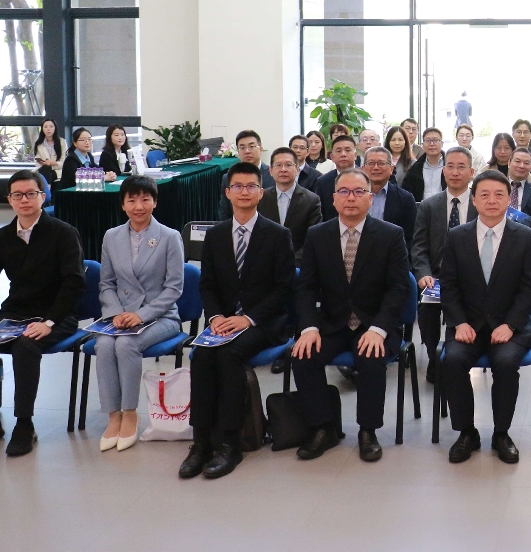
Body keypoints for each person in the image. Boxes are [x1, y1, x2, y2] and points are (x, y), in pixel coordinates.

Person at [179, 163, 295, 480]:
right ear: (228, 193)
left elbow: (284, 288)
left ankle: (230, 443)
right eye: (238, 186)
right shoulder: (216, 235)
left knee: (229, 355)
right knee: (202, 355)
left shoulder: (278, 235)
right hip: (224, 321)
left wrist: (248, 319)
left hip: (264, 323)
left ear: (261, 192)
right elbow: (208, 285)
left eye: (251, 186)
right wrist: (216, 317)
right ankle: (201, 442)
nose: (245, 192)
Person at [290, 168, 411, 462]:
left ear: (370, 199)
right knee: (303, 356)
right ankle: (323, 427)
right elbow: (306, 288)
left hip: (376, 323)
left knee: (370, 356)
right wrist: (309, 328)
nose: (351, 198)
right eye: (344, 192)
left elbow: (398, 289)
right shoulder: (318, 235)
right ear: (334, 199)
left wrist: (379, 329)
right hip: (332, 323)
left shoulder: (390, 235)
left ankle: (367, 431)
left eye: (358, 192)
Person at [0, 170, 85, 457]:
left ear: (43, 196)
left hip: (57, 314)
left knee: (25, 346)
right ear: (10, 199)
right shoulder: (2, 237)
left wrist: (50, 322)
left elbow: (74, 283)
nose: (24, 200)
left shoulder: (63, 233)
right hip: (16, 314)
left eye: (31, 193)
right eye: (18, 195)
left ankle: (24, 424)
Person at [439, 170, 531, 464]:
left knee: (506, 363)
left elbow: (528, 288)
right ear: (474, 200)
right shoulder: (457, 236)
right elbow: (449, 285)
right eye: (484, 195)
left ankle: (501, 433)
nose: (492, 201)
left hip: (510, 325)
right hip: (467, 324)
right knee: (453, 360)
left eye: (499, 195)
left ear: (509, 200)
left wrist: (510, 325)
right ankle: (467, 432)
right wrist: (459, 322)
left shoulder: (524, 236)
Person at [93, 176, 185, 452]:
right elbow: (106, 283)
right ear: (123, 204)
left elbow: (174, 288)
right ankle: (114, 416)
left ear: (155, 202)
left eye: (145, 199)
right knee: (103, 345)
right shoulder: (111, 237)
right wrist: (116, 313)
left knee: (126, 344)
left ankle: (131, 413)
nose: (138, 206)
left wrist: (142, 314)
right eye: (131, 200)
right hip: (120, 316)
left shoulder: (170, 237)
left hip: (162, 316)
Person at [411, 146, 478, 381]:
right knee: (427, 308)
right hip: (438, 277)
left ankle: (463, 355)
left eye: (461, 167)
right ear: (443, 170)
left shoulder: (481, 204)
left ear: (471, 172)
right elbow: (418, 247)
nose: (455, 172)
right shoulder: (429, 206)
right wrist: (423, 273)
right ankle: (434, 359)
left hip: (474, 278)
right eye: (450, 166)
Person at [257, 146, 323, 262]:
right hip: (265, 262)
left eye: (288, 165)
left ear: (297, 169)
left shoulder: (311, 200)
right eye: (278, 165)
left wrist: (292, 262)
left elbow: (313, 238)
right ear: (271, 170)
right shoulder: (260, 198)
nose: (283, 169)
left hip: (298, 264)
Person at [361, 146, 417, 247]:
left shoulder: (405, 199)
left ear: (391, 169)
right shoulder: (353, 196)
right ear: (363, 169)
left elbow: (411, 237)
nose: (376, 167)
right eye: (371, 163)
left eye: (381, 163)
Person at [219, 130, 274, 219]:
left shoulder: (273, 175)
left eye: (251, 146)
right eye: (242, 148)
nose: (247, 151)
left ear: (260, 150)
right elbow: (225, 212)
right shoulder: (228, 178)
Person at [314, 134, 359, 222]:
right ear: (332, 157)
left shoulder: (366, 178)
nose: (343, 154)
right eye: (338, 151)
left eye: (347, 150)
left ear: (355, 155)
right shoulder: (322, 182)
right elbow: (320, 213)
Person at [402, 128, 447, 201]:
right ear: (422, 145)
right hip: (422, 206)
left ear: (442, 144)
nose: (432, 144)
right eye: (428, 140)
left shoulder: (449, 166)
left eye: (435, 140)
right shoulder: (415, 168)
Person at [32, 117, 65, 184]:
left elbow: (64, 162)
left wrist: (54, 163)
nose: (48, 129)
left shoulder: (62, 142)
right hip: (43, 169)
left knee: (46, 174)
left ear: (55, 128)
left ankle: (46, 189)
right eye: (45, 127)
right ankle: (47, 189)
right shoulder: (39, 144)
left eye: (51, 127)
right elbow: (37, 162)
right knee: (45, 170)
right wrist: (44, 163)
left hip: (58, 170)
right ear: (42, 129)